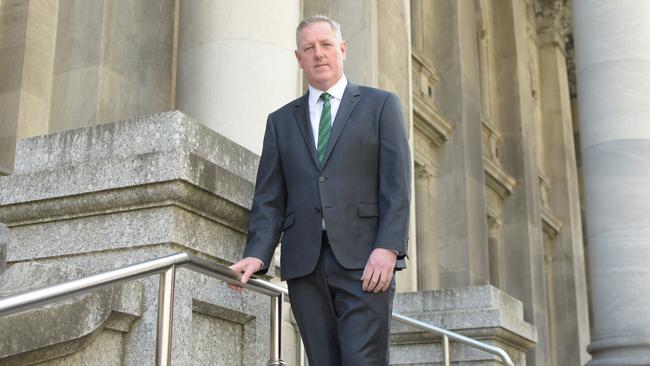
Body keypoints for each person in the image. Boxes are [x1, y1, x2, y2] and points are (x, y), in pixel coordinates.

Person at [229, 15, 411, 366]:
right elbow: (270, 197)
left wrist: (388, 248)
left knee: (363, 361)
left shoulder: (381, 106)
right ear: (298, 58)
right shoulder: (280, 122)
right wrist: (257, 252)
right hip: (304, 265)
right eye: (308, 48)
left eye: (326, 45)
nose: (318, 54)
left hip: (366, 262)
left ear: (342, 49)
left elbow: (397, 185)